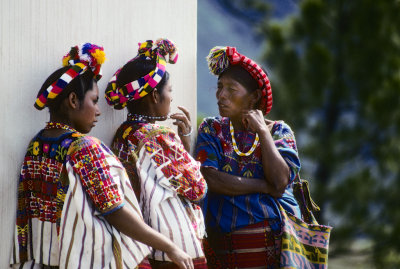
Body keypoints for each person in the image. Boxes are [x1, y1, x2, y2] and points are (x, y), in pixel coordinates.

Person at [10, 43, 194, 269]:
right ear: (73, 101)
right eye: (94, 101)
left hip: (45, 260)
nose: (98, 111)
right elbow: (114, 210)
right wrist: (169, 246)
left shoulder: (37, 144)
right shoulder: (84, 148)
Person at [194, 46, 302, 268]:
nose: (221, 95)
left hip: (274, 251)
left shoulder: (278, 132)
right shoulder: (211, 129)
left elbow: (281, 182)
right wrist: (264, 186)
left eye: (231, 89)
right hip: (225, 249)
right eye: (220, 87)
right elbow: (210, 178)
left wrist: (263, 132)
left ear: (254, 97)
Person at [105, 39, 208, 268]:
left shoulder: (124, 134)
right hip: (172, 250)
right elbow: (197, 188)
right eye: (169, 90)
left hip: (143, 244)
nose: (171, 97)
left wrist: (182, 142)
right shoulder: (158, 137)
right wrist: (184, 141)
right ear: (154, 96)